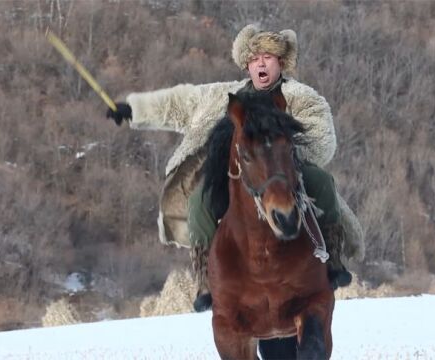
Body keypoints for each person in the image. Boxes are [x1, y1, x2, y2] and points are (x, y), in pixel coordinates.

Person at [106, 24, 364, 311]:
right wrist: (133, 109)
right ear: (247, 65)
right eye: (254, 59)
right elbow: (179, 103)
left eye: (268, 57)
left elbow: (322, 139)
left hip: (288, 173)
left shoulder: (303, 97)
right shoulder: (222, 96)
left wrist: (279, 156)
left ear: (280, 62)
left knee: (323, 182)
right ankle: (204, 276)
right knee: (198, 201)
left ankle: (333, 257)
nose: (261, 63)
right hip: (235, 175)